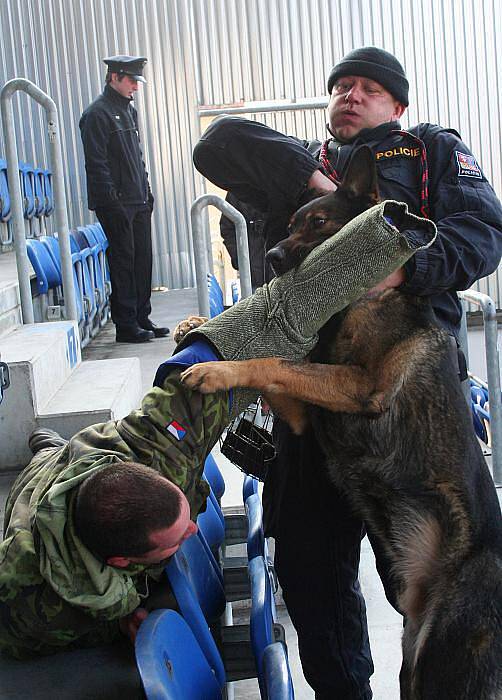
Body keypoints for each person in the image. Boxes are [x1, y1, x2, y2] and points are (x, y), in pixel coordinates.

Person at [192, 46, 502, 699]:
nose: (350, 96)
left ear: (398, 105)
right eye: (341, 87)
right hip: (309, 411)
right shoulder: (298, 167)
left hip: (415, 407)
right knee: (312, 576)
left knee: (444, 595)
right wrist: (322, 192)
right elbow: (217, 143)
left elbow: (481, 231)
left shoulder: (429, 153)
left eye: (367, 88)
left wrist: (400, 263)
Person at [0, 198, 436, 659]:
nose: (193, 532)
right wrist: (119, 615)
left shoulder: (155, 447)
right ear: (121, 565)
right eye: (177, 534)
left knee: (60, 453)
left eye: (182, 517)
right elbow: (89, 609)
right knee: (44, 473)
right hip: (37, 523)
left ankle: (49, 450)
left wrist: (381, 241)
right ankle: (47, 454)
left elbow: (276, 316)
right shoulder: (36, 612)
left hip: (84, 457)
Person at [79, 55, 169, 344]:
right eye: (131, 80)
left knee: (143, 259)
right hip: (116, 202)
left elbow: (138, 157)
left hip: (138, 199)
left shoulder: (129, 112)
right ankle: (126, 324)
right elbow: (97, 164)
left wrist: (147, 190)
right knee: (124, 261)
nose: (136, 87)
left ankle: (142, 316)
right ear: (114, 77)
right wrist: (110, 201)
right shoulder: (96, 114)